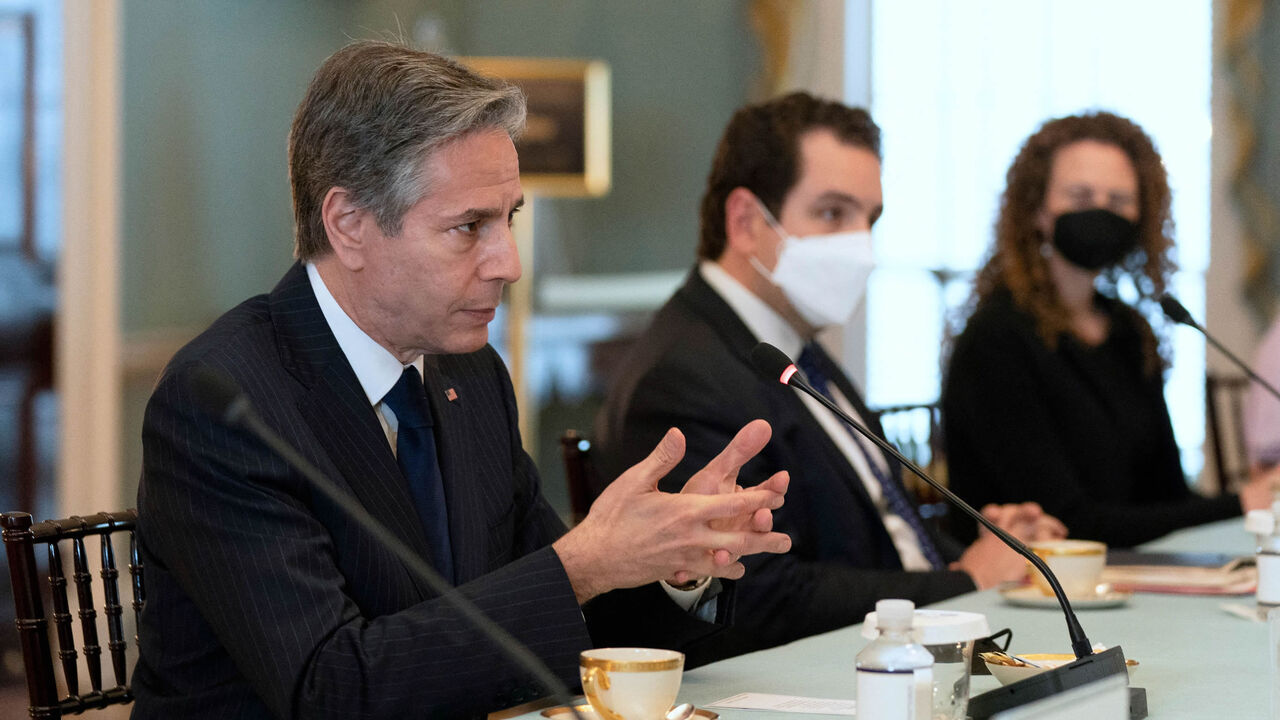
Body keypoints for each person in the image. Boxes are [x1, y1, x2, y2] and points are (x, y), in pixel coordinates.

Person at [131, 41, 793, 720]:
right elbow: (331, 689)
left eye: (507, 220)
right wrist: (582, 564)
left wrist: (670, 559)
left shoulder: (469, 374)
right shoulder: (223, 403)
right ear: (350, 225)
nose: (507, 261)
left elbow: (559, 619)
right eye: (467, 227)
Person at [596, 92, 1063, 663]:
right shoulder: (686, 375)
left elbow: (885, 524)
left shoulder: (795, 348)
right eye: (832, 214)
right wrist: (965, 580)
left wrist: (992, 545)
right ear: (746, 222)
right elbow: (759, 597)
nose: (861, 245)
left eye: (870, 219)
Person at [943, 111, 1275, 549]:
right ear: (1037, 211)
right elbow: (1069, 522)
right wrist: (1242, 502)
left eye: (1119, 202)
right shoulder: (996, 340)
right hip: (1026, 592)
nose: (1101, 213)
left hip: (1129, 579)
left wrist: (1251, 503)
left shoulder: (1129, 331)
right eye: (1080, 197)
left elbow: (1166, 496)